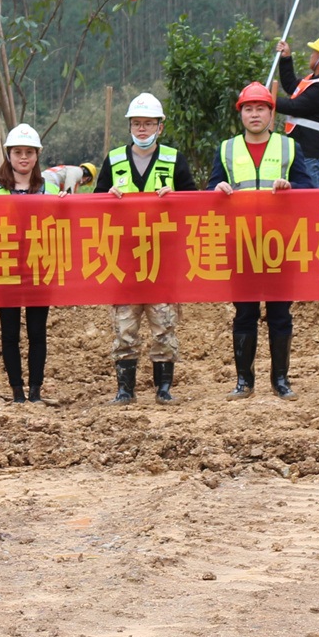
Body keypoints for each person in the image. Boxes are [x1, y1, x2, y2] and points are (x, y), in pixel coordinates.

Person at [93, 92, 198, 404]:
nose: (142, 129)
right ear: (129, 127)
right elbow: (95, 202)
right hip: (123, 257)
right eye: (136, 123)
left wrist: (176, 197)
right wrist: (107, 195)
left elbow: (194, 201)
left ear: (160, 127)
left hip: (162, 257)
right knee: (124, 327)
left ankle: (163, 389)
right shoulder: (113, 160)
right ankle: (125, 390)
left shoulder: (174, 159)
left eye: (148, 123)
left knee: (163, 325)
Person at [210, 81, 311, 398]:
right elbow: (212, 187)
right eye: (249, 109)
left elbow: (309, 189)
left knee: (281, 313)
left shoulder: (289, 147)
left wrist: (291, 187)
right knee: (244, 313)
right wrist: (218, 189)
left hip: (280, 243)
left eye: (261, 108)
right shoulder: (227, 149)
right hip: (241, 244)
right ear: (241, 114)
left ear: (271, 113)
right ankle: (244, 382)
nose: (255, 114)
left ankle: (280, 381)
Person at [0, 123, 57, 404]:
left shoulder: (50, 189)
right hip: (6, 267)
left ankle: (36, 391)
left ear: (37, 155)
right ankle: (17, 391)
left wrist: (65, 204)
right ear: (9, 155)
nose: (23, 157)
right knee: (10, 333)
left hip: (40, 266)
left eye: (29, 152)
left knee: (37, 332)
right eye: (17, 152)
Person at [273, 33, 319, 191]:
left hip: (313, 155)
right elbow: (292, 86)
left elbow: (293, 106)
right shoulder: (314, 81)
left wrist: (267, 99)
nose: (311, 55)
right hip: (303, 151)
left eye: (314, 52)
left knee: (315, 200)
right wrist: (286, 59)